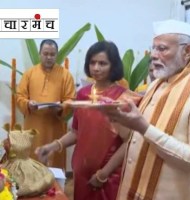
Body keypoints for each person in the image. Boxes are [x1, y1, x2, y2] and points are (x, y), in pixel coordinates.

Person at [102, 19, 190, 200]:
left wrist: (144, 128)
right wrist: (116, 116)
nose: (154, 55)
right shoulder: (157, 85)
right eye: (154, 48)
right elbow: (133, 139)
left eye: (162, 49)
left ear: (187, 51)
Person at [35, 41, 141, 200]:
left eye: (102, 63)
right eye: (92, 62)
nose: (96, 68)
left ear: (114, 66)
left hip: (110, 175)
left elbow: (129, 142)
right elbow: (77, 132)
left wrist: (103, 174)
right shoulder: (83, 94)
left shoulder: (124, 98)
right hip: (82, 171)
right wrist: (52, 146)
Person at [16, 39, 76, 169]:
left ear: (57, 55)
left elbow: (70, 99)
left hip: (54, 127)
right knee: (32, 162)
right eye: (45, 53)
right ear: (39, 54)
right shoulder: (29, 73)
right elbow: (20, 97)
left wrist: (61, 107)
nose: (49, 57)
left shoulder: (66, 75)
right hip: (33, 127)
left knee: (53, 163)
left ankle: (55, 189)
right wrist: (28, 104)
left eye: (52, 54)